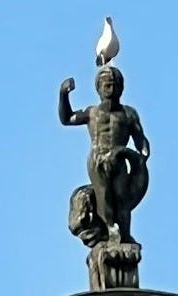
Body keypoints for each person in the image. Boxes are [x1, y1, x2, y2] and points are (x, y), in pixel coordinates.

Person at [59, 65, 149, 243]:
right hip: (98, 159)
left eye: (115, 85)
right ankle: (109, 229)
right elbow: (67, 118)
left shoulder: (128, 114)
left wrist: (142, 154)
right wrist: (64, 94)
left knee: (122, 198)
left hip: (119, 158)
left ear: (121, 88)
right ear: (99, 88)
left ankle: (124, 232)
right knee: (104, 195)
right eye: (107, 85)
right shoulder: (92, 113)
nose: (111, 89)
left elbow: (140, 139)